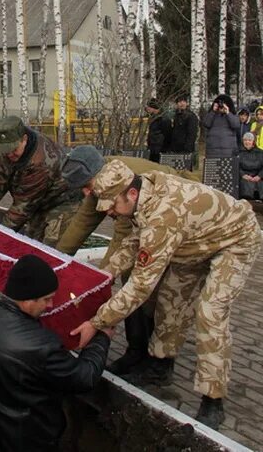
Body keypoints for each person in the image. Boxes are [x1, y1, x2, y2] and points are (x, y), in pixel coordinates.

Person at [70, 159, 262, 429]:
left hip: (236, 240)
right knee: (171, 300)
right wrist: (104, 277)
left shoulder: (163, 216)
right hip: (193, 242)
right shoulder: (142, 194)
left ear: (131, 193)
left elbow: (139, 286)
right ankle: (161, 367)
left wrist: (97, 322)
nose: (111, 213)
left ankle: (213, 399)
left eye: (113, 205)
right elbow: (135, 241)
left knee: (210, 311)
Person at [58, 145, 199, 375]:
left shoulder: (124, 183)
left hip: (181, 224)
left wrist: (99, 281)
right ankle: (137, 351)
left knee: (153, 289)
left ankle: (155, 359)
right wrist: (56, 261)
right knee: (132, 281)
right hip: (152, 225)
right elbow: (81, 224)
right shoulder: (100, 178)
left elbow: (123, 241)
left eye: (86, 186)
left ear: (96, 176)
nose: (86, 193)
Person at [0, 254, 112, 452]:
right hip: (22, 441)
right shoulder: (40, 345)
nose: (50, 305)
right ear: (27, 300)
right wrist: (101, 337)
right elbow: (84, 377)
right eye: (47, 299)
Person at [0, 116, 80, 247]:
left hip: (61, 203)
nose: (10, 155)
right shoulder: (10, 147)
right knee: (30, 244)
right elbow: (0, 177)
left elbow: (22, 207)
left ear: (24, 139)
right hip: (37, 203)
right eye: (6, 151)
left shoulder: (40, 162)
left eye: (13, 150)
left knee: (50, 251)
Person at [144, 98, 171, 163]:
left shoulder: (164, 119)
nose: (147, 109)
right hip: (152, 147)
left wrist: (164, 148)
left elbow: (167, 134)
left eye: (149, 107)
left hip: (159, 148)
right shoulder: (153, 118)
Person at [238, 133, 263, 200]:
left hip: (258, 177)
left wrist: (259, 176)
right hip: (244, 177)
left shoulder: (260, 153)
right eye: (245, 140)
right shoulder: (238, 152)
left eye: (249, 140)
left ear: (253, 142)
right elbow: (236, 166)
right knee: (245, 185)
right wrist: (243, 175)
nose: (247, 142)